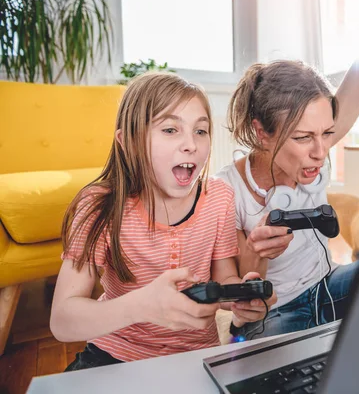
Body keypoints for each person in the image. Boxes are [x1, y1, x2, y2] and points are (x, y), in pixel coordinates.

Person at [215, 0, 359, 340]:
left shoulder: (314, 146)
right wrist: (257, 254)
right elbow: (239, 289)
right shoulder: (226, 190)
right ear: (261, 133)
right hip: (276, 310)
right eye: (303, 137)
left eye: (328, 133)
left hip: (330, 287)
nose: (320, 150)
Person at [50, 72, 276, 371]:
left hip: (195, 356)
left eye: (201, 131)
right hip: (115, 353)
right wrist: (141, 305)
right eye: (170, 129)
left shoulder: (219, 196)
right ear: (128, 141)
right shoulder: (100, 205)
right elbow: (62, 320)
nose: (190, 145)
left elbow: (224, 279)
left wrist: (240, 298)